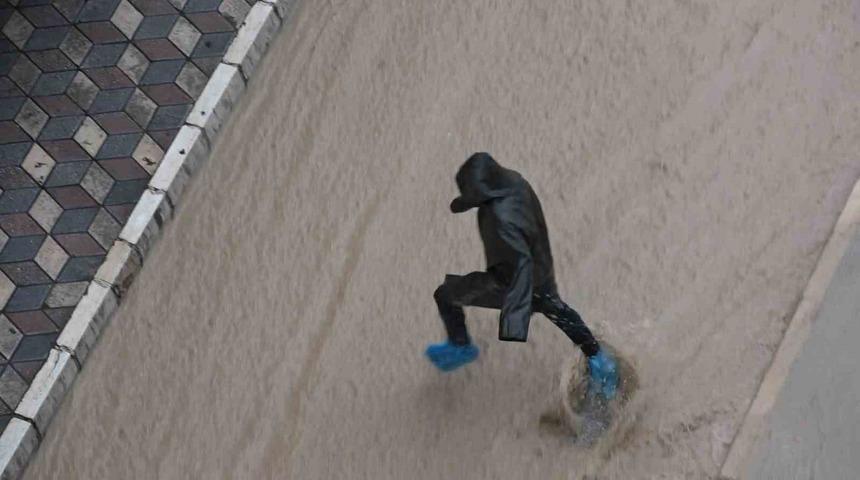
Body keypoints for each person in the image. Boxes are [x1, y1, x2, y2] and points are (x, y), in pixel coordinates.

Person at [426, 152, 618, 399]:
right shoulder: (515, 181)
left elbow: (517, 268)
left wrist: (514, 319)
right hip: (541, 263)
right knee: (555, 308)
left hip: (513, 280)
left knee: (445, 294)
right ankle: (597, 357)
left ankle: (461, 346)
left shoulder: (500, 218)